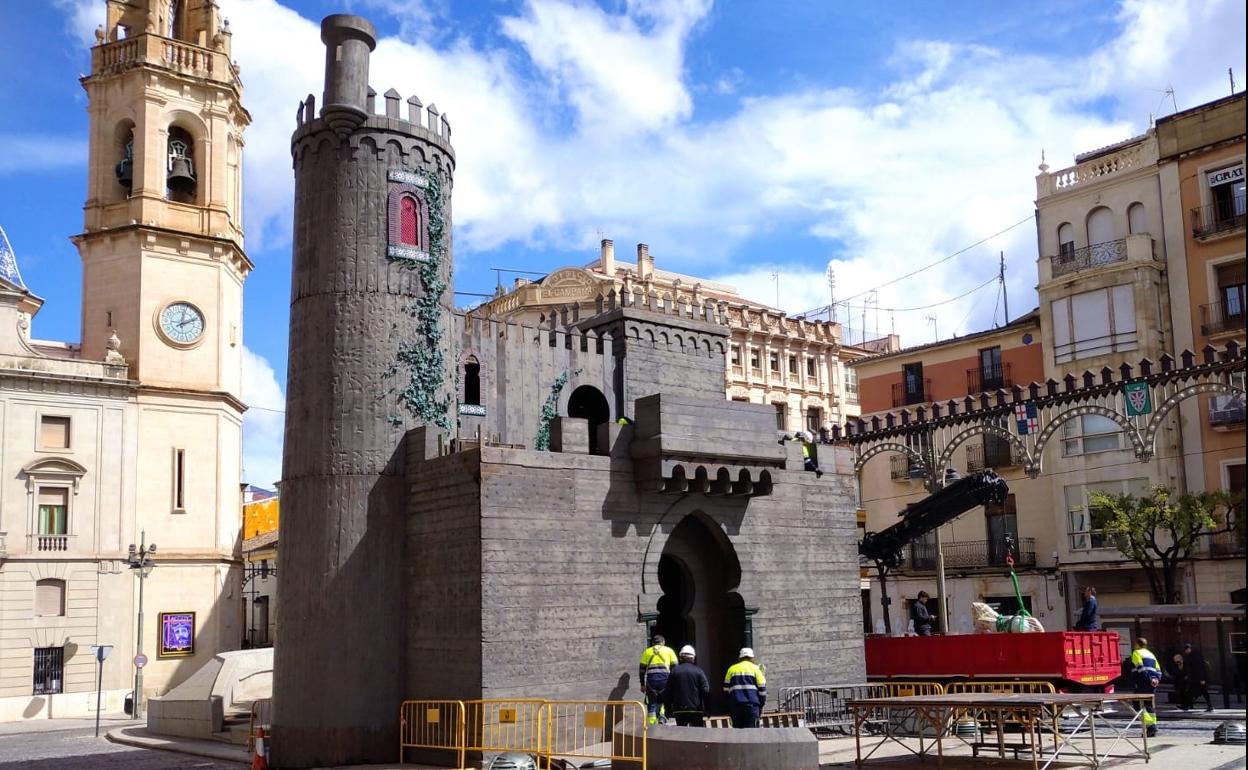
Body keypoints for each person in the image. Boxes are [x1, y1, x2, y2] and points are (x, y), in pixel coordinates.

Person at [662, 645, 710, 727]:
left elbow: (668, 691)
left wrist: (668, 710)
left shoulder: (674, 672)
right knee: (698, 735)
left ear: (680, 658)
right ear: (693, 658)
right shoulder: (699, 671)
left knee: (681, 735)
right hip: (696, 710)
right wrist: (708, 709)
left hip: (679, 710)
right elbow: (705, 691)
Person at [639, 634, 678, 724]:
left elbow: (642, 670)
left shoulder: (647, 652)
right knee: (664, 700)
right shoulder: (669, 650)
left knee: (652, 702)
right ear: (663, 642)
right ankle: (662, 717)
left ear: (653, 643)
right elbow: (675, 668)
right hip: (665, 681)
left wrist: (642, 684)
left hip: (651, 682)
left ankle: (652, 723)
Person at [723, 647, 767, 728]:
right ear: (752, 657)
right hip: (752, 706)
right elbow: (762, 689)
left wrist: (729, 704)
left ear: (740, 657)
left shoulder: (731, 669)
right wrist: (762, 703)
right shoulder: (756, 669)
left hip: (736, 706)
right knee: (751, 734)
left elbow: (726, 689)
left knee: (738, 734)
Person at [1130, 636, 1161, 737]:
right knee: (1149, 705)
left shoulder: (1136, 653)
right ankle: (1153, 728)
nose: (1134, 646)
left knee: (1137, 705)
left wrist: (1148, 679)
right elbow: (1158, 669)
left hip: (1142, 682)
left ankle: (1150, 726)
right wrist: (1156, 679)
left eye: (1135, 644)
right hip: (1153, 684)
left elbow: (1140, 668)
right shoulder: (1151, 654)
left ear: (1137, 644)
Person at [1182, 642, 1214, 712]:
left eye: (1186, 650)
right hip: (1195, 678)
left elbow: (1199, 668)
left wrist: (1202, 679)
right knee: (1193, 692)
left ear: (1189, 649)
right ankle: (1186, 706)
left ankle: (1210, 705)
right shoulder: (1192, 656)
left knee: (1201, 692)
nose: (1185, 651)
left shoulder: (1194, 656)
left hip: (1198, 679)